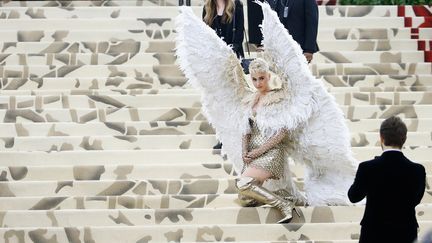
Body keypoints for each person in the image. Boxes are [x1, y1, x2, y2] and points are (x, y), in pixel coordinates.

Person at [176, 2, 357, 223]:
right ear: (250, 79)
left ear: (268, 77)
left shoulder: (278, 98)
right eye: (254, 79)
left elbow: (281, 134)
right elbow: (245, 128)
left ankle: (284, 205)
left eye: (262, 78)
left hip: (272, 152)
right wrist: (245, 151)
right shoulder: (250, 99)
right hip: (254, 153)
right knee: (244, 197)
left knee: (243, 185)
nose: (258, 82)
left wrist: (258, 150)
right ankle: (288, 197)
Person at [348, 116, 426, 243]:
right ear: (404, 139)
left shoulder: (367, 167)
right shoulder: (418, 170)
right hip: (405, 232)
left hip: (373, 232)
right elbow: (415, 200)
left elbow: (353, 196)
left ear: (381, 138)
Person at [247, 0, 319, 62]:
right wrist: (263, 44)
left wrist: (309, 49)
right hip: (276, 50)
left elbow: (312, 23)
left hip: (298, 50)